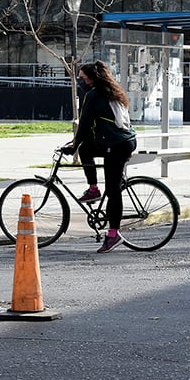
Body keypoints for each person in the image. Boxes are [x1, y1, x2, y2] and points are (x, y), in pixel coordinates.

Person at [62, 60, 137, 253]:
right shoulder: (112, 90)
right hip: (121, 141)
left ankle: (113, 235)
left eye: (82, 78)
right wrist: (79, 146)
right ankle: (93, 189)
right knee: (87, 149)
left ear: (92, 78)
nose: (80, 82)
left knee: (113, 190)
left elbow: (85, 124)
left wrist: (73, 146)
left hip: (116, 145)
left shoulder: (94, 95)